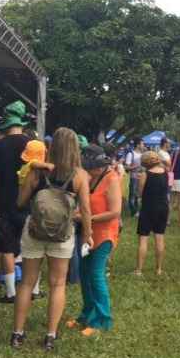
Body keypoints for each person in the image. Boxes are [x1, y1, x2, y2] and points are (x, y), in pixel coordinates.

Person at [11, 127, 93, 350]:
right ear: (75, 148)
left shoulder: (37, 172)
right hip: (62, 234)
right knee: (57, 284)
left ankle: (17, 333)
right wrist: (88, 234)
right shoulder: (79, 176)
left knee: (27, 282)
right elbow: (85, 209)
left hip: (34, 231)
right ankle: (50, 335)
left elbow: (20, 202)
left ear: (51, 147)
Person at [66, 144, 120, 336]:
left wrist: (86, 218)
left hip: (104, 234)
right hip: (86, 232)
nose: (88, 171)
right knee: (84, 273)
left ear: (100, 166)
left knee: (96, 275)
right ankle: (86, 314)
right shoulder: (90, 177)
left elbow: (114, 212)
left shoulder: (112, 179)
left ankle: (102, 320)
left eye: (91, 167)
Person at [0, 101, 31, 303]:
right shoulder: (34, 146)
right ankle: (34, 288)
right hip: (29, 203)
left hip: (5, 202)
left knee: (6, 246)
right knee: (30, 246)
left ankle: (11, 292)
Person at [134, 152, 169, 275]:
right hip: (163, 207)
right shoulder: (165, 173)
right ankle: (159, 269)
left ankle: (139, 270)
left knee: (143, 239)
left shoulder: (145, 174)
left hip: (148, 207)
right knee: (159, 237)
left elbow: (139, 193)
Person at [124, 140, 144, 216]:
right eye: (142, 144)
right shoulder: (130, 154)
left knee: (138, 194)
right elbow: (126, 166)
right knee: (132, 194)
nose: (143, 145)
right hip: (133, 177)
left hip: (141, 176)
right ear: (138, 145)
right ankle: (133, 211)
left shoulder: (142, 154)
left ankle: (137, 210)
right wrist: (136, 166)